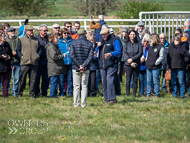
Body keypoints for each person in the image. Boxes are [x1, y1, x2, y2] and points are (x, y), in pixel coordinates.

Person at [70, 29, 93, 108]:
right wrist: (84, 65)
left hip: (76, 67)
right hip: (86, 67)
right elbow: (90, 57)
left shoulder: (73, 43)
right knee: (84, 86)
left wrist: (79, 65)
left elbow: (72, 55)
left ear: (78, 34)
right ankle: (83, 104)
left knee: (76, 86)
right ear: (85, 34)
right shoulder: (89, 43)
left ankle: (76, 103)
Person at [16, 25, 42, 99]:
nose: (31, 32)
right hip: (24, 62)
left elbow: (40, 49)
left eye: (32, 31)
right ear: (26, 31)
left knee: (33, 79)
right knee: (22, 79)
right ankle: (19, 93)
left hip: (34, 62)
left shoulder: (36, 40)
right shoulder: (21, 39)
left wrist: (38, 55)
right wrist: (21, 56)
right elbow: (18, 50)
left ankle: (31, 94)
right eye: (30, 31)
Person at [98, 28, 121, 103]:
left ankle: (112, 99)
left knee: (109, 80)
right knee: (104, 82)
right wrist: (97, 46)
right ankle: (106, 99)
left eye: (105, 34)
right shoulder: (101, 41)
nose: (103, 36)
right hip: (102, 65)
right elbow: (96, 52)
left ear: (108, 33)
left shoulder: (114, 40)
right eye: (102, 35)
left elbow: (118, 51)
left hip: (111, 64)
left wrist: (111, 54)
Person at [167, 33, 189, 98]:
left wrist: (178, 46)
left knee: (181, 81)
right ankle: (175, 93)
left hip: (180, 67)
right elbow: (168, 56)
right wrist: (169, 65)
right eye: (176, 40)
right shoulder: (171, 46)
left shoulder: (183, 46)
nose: (177, 41)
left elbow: (182, 52)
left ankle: (182, 94)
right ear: (174, 39)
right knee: (173, 81)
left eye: (178, 40)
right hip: (173, 67)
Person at [46, 33, 66, 98]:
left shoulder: (55, 46)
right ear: (52, 39)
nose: (58, 39)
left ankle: (54, 94)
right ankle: (52, 95)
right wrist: (62, 56)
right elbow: (54, 57)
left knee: (55, 82)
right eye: (56, 38)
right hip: (53, 67)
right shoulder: (51, 47)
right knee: (54, 82)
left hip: (56, 67)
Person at [123, 29, 143, 97]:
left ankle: (134, 94)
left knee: (135, 79)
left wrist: (132, 59)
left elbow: (140, 53)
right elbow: (124, 53)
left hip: (136, 63)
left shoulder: (139, 44)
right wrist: (129, 60)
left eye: (134, 34)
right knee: (128, 79)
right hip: (128, 64)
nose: (132, 36)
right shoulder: (126, 44)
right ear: (129, 35)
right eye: (131, 34)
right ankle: (128, 95)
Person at [145, 33, 164, 99]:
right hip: (148, 66)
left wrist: (156, 63)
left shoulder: (160, 47)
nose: (150, 40)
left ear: (155, 39)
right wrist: (147, 61)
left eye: (151, 39)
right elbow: (147, 55)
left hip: (155, 67)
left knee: (156, 81)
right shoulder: (150, 46)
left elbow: (161, 57)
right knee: (148, 81)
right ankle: (148, 93)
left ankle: (157, 94)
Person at [57, 28, 73, 96]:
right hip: (62, 62)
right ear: (62, 34)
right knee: (62, 79)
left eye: (67, 33)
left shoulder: (72, 41)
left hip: (70, 62)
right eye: (65, 33)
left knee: (70, 79)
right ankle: (62, 92)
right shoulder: (59, 42)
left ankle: (70, 92)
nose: (66, 34)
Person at [34, 24, 49, 97]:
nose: (46, 32)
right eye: (44, 30)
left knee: (45, 78)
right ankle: (36, 92)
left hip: (47, 60)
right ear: (40, 30)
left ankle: (44, 93)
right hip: (39, 60)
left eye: (46, 30)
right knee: (37, 77)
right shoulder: (36, 38)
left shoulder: (49, 38)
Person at [6, 27, 20, 96]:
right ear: (7, 32)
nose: (13, 32)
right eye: (11, 31)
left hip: (17, 61)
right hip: (8, 62)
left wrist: (17, 52)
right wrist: (11, 53)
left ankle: (15, 92)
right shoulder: (5, 40)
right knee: (7, 79)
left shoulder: (18, 39)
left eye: (14, 30)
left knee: (16, 79)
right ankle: (6, 92)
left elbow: (20, 48)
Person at [0, 32, 14, 98]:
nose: (5, 37)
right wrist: (1, 56)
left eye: (5, 36)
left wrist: (12, 63)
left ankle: (5, 95)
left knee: (6, 81)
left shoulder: (7, 44)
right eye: (3, 36)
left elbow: (11, 55)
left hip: (6, 66)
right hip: (0, 65)